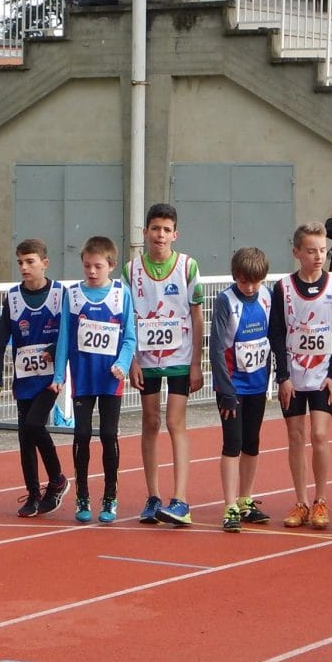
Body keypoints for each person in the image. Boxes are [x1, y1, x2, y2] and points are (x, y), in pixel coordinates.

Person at [127, 203, 205, 527]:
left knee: (175, 422)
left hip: (179, 358)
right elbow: (125, 318)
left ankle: (181, 499)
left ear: (175, 234)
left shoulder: (187, 266)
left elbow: (198, 314)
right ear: (145, 232)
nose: (160, 235)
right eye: (154, 228)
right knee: (150, 421)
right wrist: (131, 360)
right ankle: (153, 496)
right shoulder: (131, 270)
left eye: (166, 229)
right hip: (146, 358)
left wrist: (197, 362)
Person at [270, 222, 332, 530]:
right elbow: (276, 333)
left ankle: (321, 501)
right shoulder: (283, 288)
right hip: (293, 373)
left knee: (318, 435)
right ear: (297, 252)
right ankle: (301, 501)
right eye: (312, 251)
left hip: (321, 374)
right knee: (295, 436)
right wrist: (282, 376)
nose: (318, 256)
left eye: (323, 251)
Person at [52, 236, 136, 524]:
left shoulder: (120, 294)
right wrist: (59, 375)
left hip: (111, 377)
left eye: (97, 266)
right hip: (84, 377)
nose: (91, 271)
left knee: (109, 435)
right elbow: (64, 335)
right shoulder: (73, 295)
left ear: (110, 266)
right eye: (87, 265)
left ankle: (111, 495)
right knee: (82, 435)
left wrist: (122, 364)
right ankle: (83, 494)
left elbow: (129, 337)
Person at [0, 238, 70, 518]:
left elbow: (69, 333)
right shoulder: (12, 297)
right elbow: (1, 340)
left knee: (35, 425)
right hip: (24, 378)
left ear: (44, 263)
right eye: (20, 262)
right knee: (25, 436)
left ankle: (57, 479)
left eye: (30, 261)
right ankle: (34, 494)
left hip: (50, 378)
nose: (24, 267)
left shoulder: (60, 294)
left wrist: (51, 350)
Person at [211, 247, 273, 532]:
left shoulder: (267, 297)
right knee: (232, 443)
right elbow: (216, 349)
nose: (249, 287)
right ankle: (230, 505)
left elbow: (271, 339)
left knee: (252, 442)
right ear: (235, 276)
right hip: (233, 386)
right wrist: (225, 391)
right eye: (244, 281)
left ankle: (246, 499)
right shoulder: (226, 301)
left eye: (255, 282)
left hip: (258, 384)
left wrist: (273, 377)